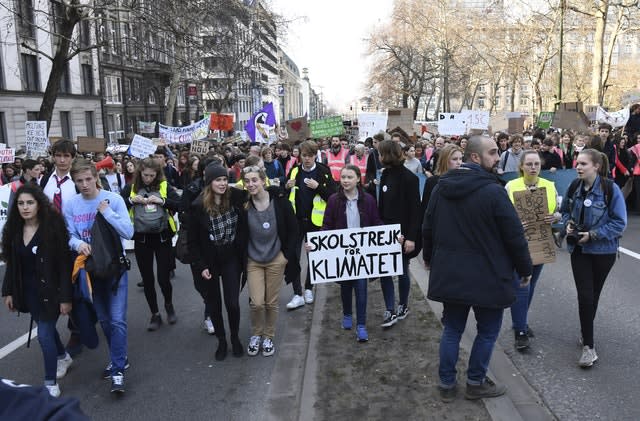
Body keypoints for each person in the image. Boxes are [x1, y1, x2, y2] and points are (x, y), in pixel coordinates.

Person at [423, 135, 532, 402]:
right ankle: (475, 382)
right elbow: (514, 235)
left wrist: (429, 258)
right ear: (476, 157)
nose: (498, 157)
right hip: (489, 275)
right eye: (493, 153)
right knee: (487, 331)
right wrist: (525, 268)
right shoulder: (494, 190)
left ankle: (447, 385)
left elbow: (428, 227)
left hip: (452, 272)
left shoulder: (441, 187)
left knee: (452, 329)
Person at [64, 159, 133, 394]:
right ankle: (119, 358)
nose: (84, 185)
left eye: (88, 179)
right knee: (104, 320)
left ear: (96, 177)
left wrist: (107, 213)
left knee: (116, 320)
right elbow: (69, 235)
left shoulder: (113, 200)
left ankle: (118, 370)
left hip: (115, 269)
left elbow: (128, 231)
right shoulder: (71, 204)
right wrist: (78, 243)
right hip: (90, 271)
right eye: (79, 181)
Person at [1, 185, 73, 397]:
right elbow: (12, 264)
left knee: (43, 334)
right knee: (47, 331)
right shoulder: (14, 230)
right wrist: (9, 292)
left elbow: (64, 266)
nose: (25, 207)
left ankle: (50, 383)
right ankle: (63, 356)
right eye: (21, 203)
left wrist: (66, 298)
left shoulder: (52, 229)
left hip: (51, 291)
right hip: (28, 292)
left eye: (30, 202)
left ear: (39, 204)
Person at [559, 149, 627, 367]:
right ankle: (589, 347)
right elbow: (565, 211)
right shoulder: (574, 187)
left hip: (603, 252)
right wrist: (568, 224)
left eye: (583, 164)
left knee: (593, 295)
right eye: (577, 163)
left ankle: (585, 329)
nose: (578, 167)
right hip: (579, 251)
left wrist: (593, 235)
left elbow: (619, 223)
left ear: (596, 166)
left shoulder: (610, 189)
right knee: (585, 296)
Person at [188, 164, 247, 360]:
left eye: (224, 179)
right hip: (210, 261)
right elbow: (193, 242)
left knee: (232, 303)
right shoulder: (198, 206)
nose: (222, 183)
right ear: (209, 183)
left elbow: (258, 191)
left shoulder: (236, 197)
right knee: (214, 304)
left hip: (231, 257)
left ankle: (235, 337)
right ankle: (221, 341)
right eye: (218, 180)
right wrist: (201, 266)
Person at [321, 165, 382, 342]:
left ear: (358, 179)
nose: (345, 180)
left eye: (349, 177)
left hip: (362, 252)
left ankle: (361, 325)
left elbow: (376, 221)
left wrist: (391, 235)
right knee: (346, 286)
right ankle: (347, 314)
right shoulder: (334, 200)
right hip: (343, 252)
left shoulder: (369, 200)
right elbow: (327, 225)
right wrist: (317, 242)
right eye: (343, 177)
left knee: (361, 288)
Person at [242, 166, 298, 357]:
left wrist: (285, 256)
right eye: (247, 181)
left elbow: (293, 229)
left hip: (276, 259)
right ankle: (256, 334)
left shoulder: (280, 202)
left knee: (271, 302)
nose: (251, 184)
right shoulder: (243, 204)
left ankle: (268, 336)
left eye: (254, 180)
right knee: (257, 302)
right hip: (253, 260)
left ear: (263, 180)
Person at [505, 151, 559, 350]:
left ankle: (520, 320)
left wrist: (556, 218)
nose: (533, 167)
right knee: (521, 284)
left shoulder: (549, 186)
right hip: (519, 243)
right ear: (521, 166)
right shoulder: (511, 186)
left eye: (536, 164)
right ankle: (520, 331)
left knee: (532, 284)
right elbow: (502, 214)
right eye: (529, 164)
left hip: (541, 242)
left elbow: (557, 211)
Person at [121, 158, 181, 331]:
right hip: (141, 239)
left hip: (162, 237)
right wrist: (132, 201)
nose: (148, 178)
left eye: (152, 175)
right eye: (145, 175)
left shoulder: (164, 186)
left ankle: (169, 306)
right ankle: (155, 314)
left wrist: (162, 201)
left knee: (163, 278)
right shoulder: (131, 187)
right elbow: (118, 206)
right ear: (140, 173)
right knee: (148, 279)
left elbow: (179, 205)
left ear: (157, 174)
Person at [284, 140, 337, 309]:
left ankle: (308, 288)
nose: (307, 159)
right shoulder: (294, 171)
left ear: (315, 155)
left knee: (313, 258)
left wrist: (318, 187)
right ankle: (297, 293)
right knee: (293, 257)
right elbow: (284, 197)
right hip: (295, 222)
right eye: (304, 155)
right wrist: (286, 187)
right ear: (300, 155)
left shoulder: (323, 171)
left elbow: (333, 196)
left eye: (310, 155)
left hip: (315, 223)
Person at [377, 140, 420, 327]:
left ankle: (403, 305)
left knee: (402, 271)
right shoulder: (385, 175)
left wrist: (410, 237)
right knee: (385, 272)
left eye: (380, 153)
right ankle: (390, 309)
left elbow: (415, 211)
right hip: (385, 233)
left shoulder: (410, 178)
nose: (377, 157)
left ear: (388, 155)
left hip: (402, 235)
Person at [420, 144, 463, 216]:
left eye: (461, 159)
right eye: (455, 159)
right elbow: (426, 209)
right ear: (445, 160)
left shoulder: (464, 180)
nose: (459, 163)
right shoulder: (432, 182)